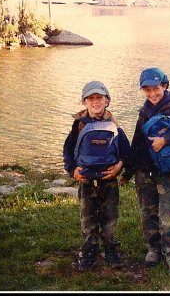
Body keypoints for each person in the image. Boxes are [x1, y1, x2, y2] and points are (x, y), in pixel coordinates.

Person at [119, 67, 170, 269]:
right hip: (144, 172)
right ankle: (153, 248)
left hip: (167, 172)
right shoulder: (143, 113)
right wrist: (128, 172)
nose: (152, 94)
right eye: (147, 90)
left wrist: (165, 139)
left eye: (156, 89)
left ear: (165, 86)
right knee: (147, 213)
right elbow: (136, 144)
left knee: (168, 213)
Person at [63, 80, 131, 271]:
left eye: (99, 98)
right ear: (84, 102)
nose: (95, 102)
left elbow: (126, 151)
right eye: (91, 98)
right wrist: (72, 170)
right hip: (86, 180)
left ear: (107, 101)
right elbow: (68, 150)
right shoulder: (78, 125)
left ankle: (110, 249)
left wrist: (120, 167)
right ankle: (89, 252)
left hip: (109, 180)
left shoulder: (114, 124)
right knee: (88, 218)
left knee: (110, 218)